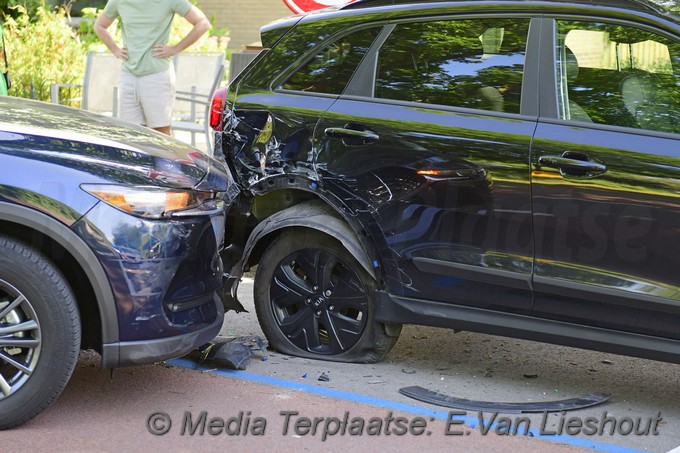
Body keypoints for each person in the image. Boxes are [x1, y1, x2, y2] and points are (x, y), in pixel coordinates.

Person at [94, 1, 211, 135]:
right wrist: (114, 49)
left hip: (157, 76)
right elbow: (100, 25)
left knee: (160, 132)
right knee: (130, 133)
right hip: (128, 76)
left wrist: (175, 48)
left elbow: (203, 23)